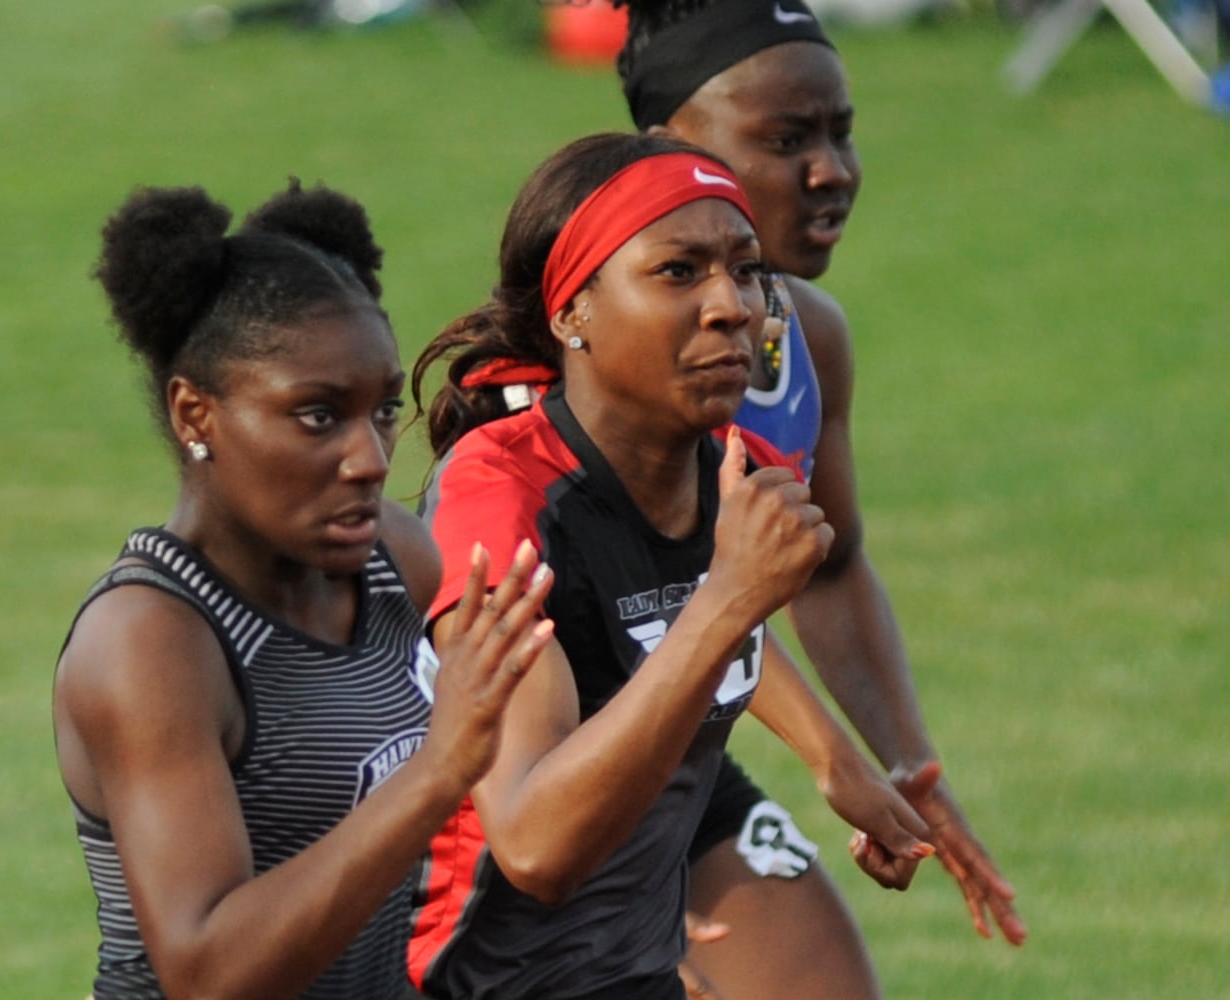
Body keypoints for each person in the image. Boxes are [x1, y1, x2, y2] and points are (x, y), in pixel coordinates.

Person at [404, 131, 936, 1000]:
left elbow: (667, 605)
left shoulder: (735, 470)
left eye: (745, 269)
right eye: (678, 272)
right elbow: (533, 846)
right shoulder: (501, 502)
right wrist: (730, 602)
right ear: (570, 311)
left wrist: (837, 763)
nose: (733, 306)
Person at [52, 180, 558, 999]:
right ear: (195, 414)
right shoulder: (153, 644)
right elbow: (208, 972)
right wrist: (438, 770)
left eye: (383, 409)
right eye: (318, 416)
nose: (369, 458)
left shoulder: (393, 557)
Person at [612, 0, 1029, 994]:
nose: (830, 169)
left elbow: (827, 565)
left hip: (678, 772)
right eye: (786, 138)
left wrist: (911, 771)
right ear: (669, 149)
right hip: (530, 777)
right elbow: (663, 592)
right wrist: (830, 755)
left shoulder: (808, 338)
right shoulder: (625, 348)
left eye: (841, 131)